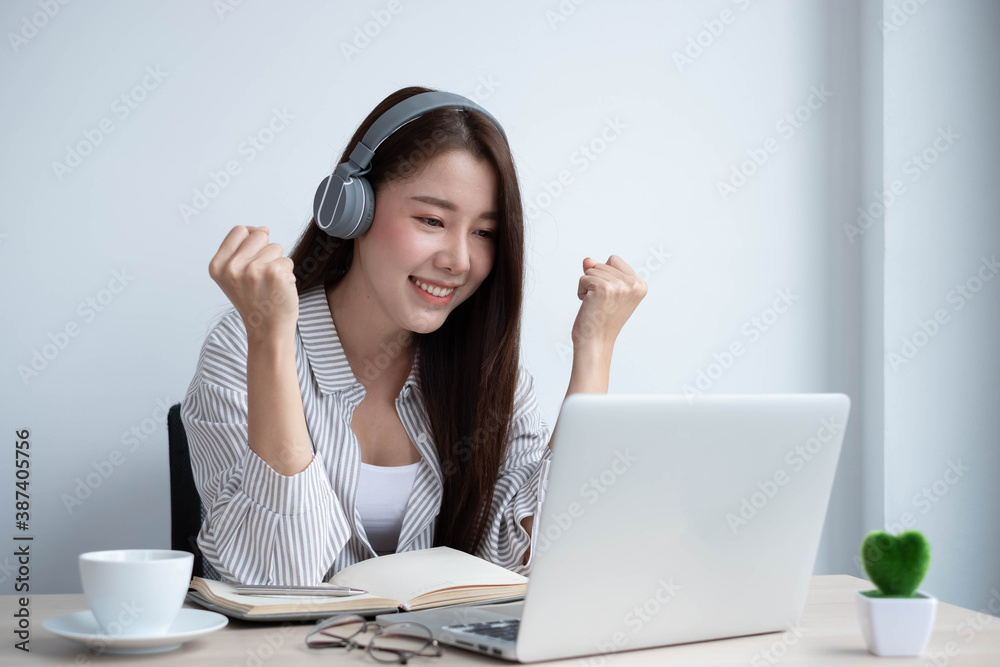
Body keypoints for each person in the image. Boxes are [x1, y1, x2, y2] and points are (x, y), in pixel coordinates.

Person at [180, 86, 647, 586]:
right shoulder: (242, 349)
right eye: (432, 220)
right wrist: (271, 340)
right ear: (351, 208)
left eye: (484, 233)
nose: (459, 261)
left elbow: (547, 561)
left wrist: (595, 350)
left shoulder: (489, 373)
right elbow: (278, 580)